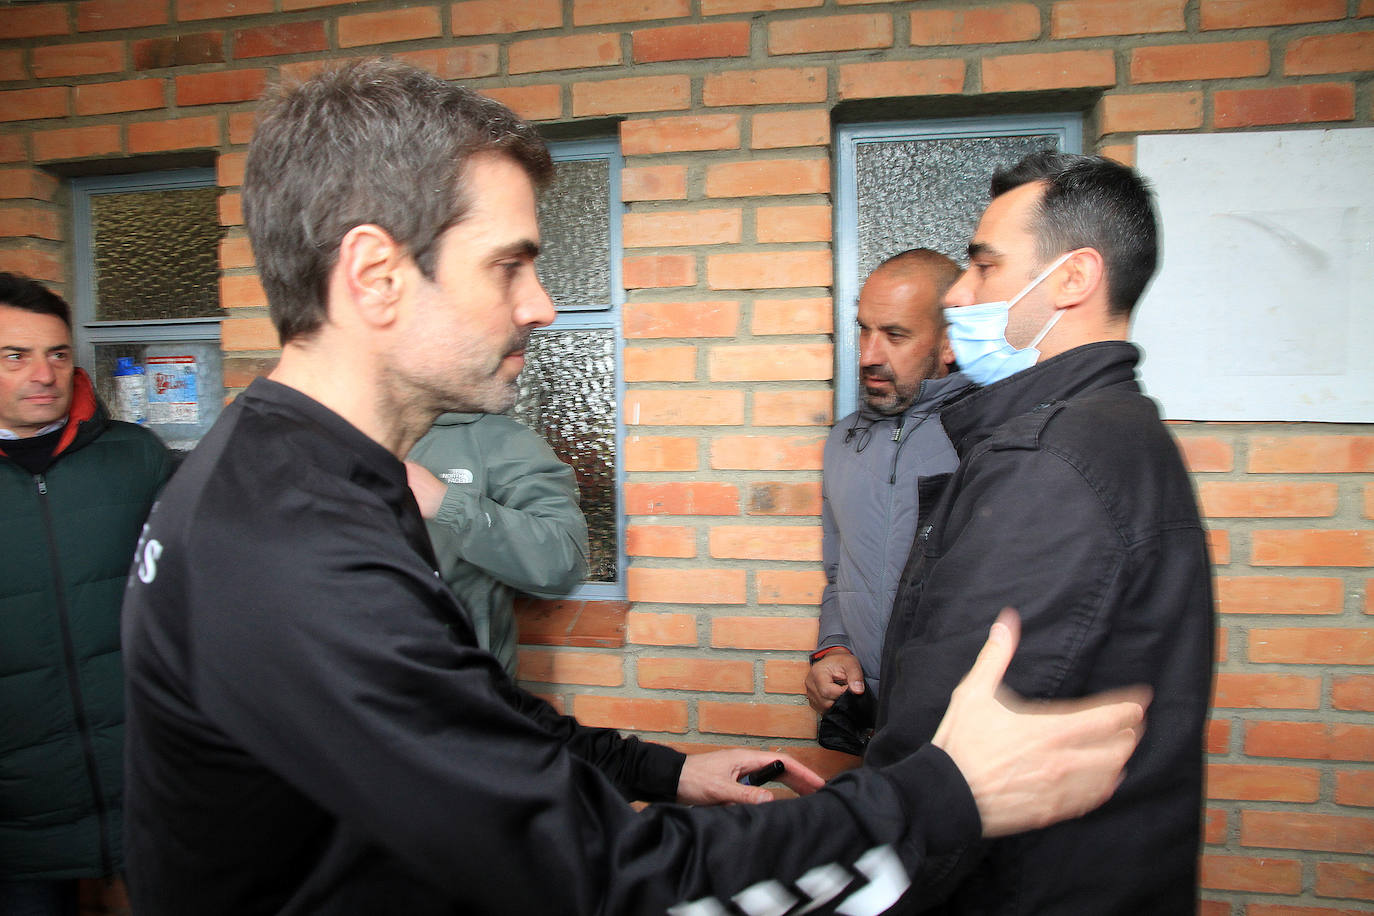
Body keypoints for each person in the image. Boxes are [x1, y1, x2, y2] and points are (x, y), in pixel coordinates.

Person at [121, 61, 1150, 916]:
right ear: (377, 274)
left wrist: (658, 770)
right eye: (510, 264)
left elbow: (461, 710)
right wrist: (947, 793)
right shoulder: (288, 543)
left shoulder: (304, 472)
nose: (543, 304)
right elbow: (605, 880)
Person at [865, 151, 1214, 914]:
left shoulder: (1051, 463)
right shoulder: (1118, 431)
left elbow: (945, 756)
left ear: (1073, 279)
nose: (959, 294)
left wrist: (847, 838)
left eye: (985, 268)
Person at [0, 273, 172, 914]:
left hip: (144, 787)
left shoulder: (136, 458)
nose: (43, 373)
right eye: (15, 356)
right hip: (17, 818)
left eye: (58, 353)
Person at [807, 249, 972, 725]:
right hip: (870, 727)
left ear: (949, 343)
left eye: (895, 335)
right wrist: (832, 647)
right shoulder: (844, 442)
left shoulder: (990, 440)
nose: (868, 356)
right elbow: (841, 573)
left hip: (963, 732)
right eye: (864, 329)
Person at [406, 412, 589, 677]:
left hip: (458, 694)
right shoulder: (339, 433)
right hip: (344, 688)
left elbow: (563, 563)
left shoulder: (499, 440)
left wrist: (448, 505)